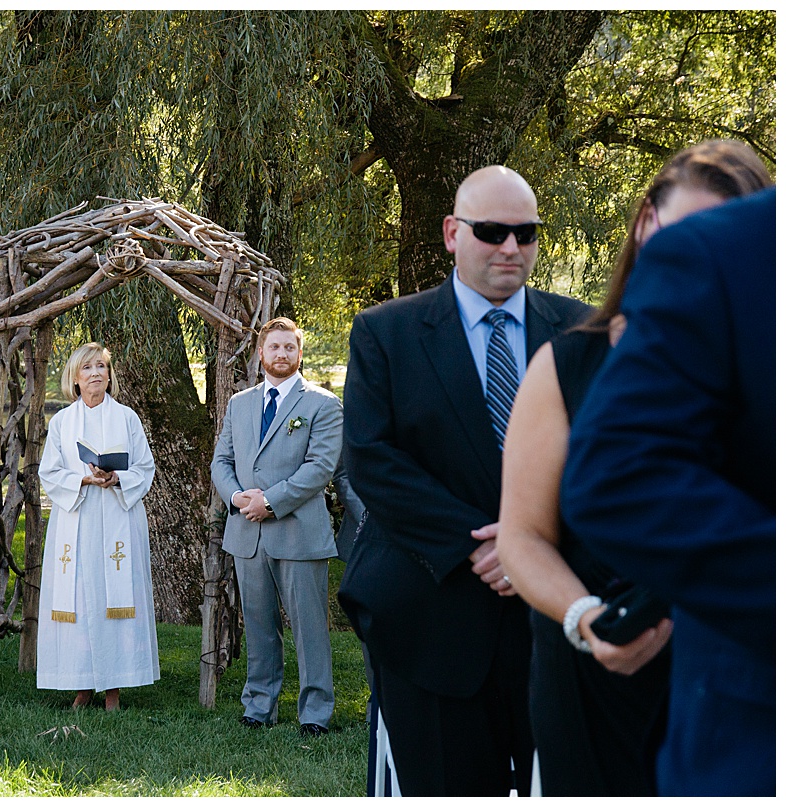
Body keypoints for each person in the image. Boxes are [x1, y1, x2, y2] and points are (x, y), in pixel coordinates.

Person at [495, 140, 772, 796]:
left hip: (731, 653)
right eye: (688, 234)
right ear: (646, 224)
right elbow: (521, 534)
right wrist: (585, 617)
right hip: (598, 663)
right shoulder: (565, 363)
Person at [338, 166, 591, 795]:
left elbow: (610, 454)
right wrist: (479, 542)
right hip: (433, 614)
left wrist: (534, 541)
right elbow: (372, 457)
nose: (511, 248)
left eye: (526, 234)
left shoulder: (588, 333)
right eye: (492, 231)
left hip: (556, 617)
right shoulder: (385, 333)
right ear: (453, 232)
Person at [210, 317, 343, 737]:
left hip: (299, 531)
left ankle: (315, 713)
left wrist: (269, 501)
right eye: (274, 348)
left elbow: (320, 468)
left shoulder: (323, 404)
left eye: (289, 347)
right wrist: (236, 498)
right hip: (248, 535)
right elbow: (221, 462)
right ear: (261, 354)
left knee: (309, 630)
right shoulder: (240, 403)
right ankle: (259, 705)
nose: (281, 354)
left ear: (299, 354)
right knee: (260, 626)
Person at [36, 343, 158, 711]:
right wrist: (85, 481)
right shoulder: (61, 422)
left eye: (101, 367)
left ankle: (114, 689)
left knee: (113, 598)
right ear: (75, 377)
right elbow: (50, 472)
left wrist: (116, 476)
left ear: (110, 375)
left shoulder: (127, 418)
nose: (95, 374)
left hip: (118, 519)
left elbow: (145, 468)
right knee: (78, 598)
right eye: (87, 368)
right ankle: (81, 685)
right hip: (77, 520)